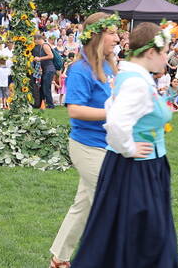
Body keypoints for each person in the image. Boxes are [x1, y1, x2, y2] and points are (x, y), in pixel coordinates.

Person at [72, 21, 178, 268]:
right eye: (164, 53)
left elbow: (111, 105)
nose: (167, 59)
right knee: (144, 240)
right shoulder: (135, 82)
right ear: (151, 53)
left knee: (129, 238)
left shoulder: (132, 75)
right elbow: (116, 120)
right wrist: (129, 147)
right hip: (137, 169)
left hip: (141, 167)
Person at [48, 13, 120, 268]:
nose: (117, 37)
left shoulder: (111, 66)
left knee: (83, 205)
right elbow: (75, 110)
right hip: (87, 147)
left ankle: (59, 259)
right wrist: (114, 111)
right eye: (111, 32)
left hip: (109, 145)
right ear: (97, 36)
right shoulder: (80, 69)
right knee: (111, 201)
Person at [32, 34, 56, 109]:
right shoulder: (42, 46)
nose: (34, 42)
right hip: (46, 69)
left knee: (46, 88)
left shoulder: (45, 45)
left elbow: (51, 56)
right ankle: (41, 104)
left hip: (49, 69)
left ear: (37, 39)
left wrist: (39, 58)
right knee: (43, 87)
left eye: (34, 40)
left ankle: (50, 105)